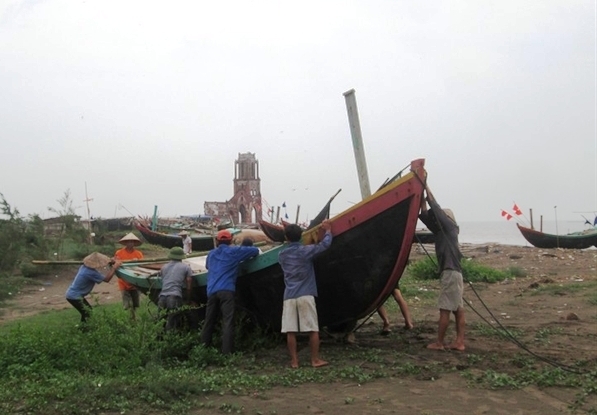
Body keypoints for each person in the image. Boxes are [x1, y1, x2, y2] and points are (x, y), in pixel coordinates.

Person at [278, 219, 332, 368]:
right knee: (312, 329)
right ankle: (315, 360)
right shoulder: (306, 251)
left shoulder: (282, 256)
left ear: (287, 238)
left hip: (289, 296)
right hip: (306, 293)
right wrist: (327, 231)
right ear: (301, 236)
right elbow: (324, 245)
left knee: (291, 331)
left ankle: (294, 361)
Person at [419, 187, 465, 351]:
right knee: (458, 309)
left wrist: (425, 184)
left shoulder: (449, 227)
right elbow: (426, 216)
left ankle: (439, 342)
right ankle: (459, 342)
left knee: (445, 308)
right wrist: (421, 199)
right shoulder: (443, 231)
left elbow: (435, 208)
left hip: (450, 273)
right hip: (455, 273)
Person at [201, 229, 260, 354]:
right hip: (226, 290)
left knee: (209, 320)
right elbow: (255, 251)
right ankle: (226, 352)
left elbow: (207, 266)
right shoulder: (234, 251)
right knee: (227, 321)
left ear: (217, 241)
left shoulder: (211, 254)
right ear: (231, 240)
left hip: (211, 291)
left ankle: (203, 349)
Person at [65, 252, 122, 324]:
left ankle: (83, 328)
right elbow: (107, 279)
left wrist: (111, 261)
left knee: (87, 312)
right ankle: (84, 329)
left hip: (73, 294)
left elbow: (104, 265)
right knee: (88, 313)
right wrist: (114, 268)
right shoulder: (90, 272)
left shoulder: (84, 266)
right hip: (74, 296)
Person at [158, 246, 194, 331]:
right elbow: (189, 285)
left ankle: (158, 342)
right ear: (181, 257)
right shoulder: (186, 267)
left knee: (160, 323)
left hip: (162, 297)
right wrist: (188, 300)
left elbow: (163, 280)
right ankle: (171, 341)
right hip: (174, 296)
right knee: (172, 323)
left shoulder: (164, 267)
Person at [114, 232, 144, 320]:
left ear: (134, 243)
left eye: (132, 242)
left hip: (135, 280)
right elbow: (116, 264)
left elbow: (142, 266)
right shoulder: (119, 253)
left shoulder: (138, 254)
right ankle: (129, 318)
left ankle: (133, 317)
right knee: (127, 304)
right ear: (126, 243)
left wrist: (137, 261)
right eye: (128, 241)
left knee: (135, 303)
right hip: (124, 281)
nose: (130, 243)